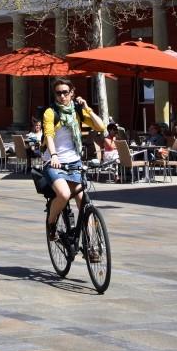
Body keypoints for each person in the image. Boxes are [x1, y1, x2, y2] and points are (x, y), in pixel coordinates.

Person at [42, 78, 105, 242]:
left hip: (74, 162)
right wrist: (54, 155)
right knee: (63, 194)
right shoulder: (50, 112)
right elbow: (49, 135)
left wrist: (88, 109)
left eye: (65, 92)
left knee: (84, 202)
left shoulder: (77, 110)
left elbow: (101, 127)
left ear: (72, 93)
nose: (62, 96)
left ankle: (92, 245)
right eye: (58, 93)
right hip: (54, 162)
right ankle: (51, 223)